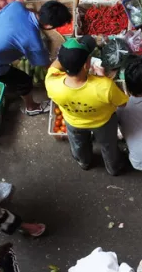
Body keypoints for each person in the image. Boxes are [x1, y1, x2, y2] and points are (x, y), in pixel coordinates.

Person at [0, 1, 71, 115]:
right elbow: (47, 66)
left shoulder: (16, 6)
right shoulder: (34, 43)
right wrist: (67, 76)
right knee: (23, 81)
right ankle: (31, 108)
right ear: (49, 26)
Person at [45, 37, 128, 175]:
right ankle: (113, 168)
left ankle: (84, 162)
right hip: (103, 123)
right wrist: (103, 77)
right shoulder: (104, 86)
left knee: (78, 144)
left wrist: (66, 56)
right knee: (108, 145)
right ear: (86, 65)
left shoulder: (52, 82)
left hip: (73, 122)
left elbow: (54, 65)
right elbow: (123, 103)